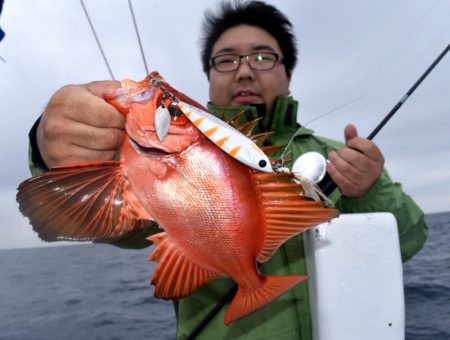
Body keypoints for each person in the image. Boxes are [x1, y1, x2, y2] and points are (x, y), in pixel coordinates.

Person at [28, 1, 428, 339]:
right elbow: (95, 218)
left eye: (262, 56)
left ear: (288, 73)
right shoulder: (149, 149)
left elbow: (411, 241)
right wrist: (54, 151)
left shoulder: (340, 156)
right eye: (226, 59)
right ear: (209, 76)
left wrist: (369, 190)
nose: (244, 70)